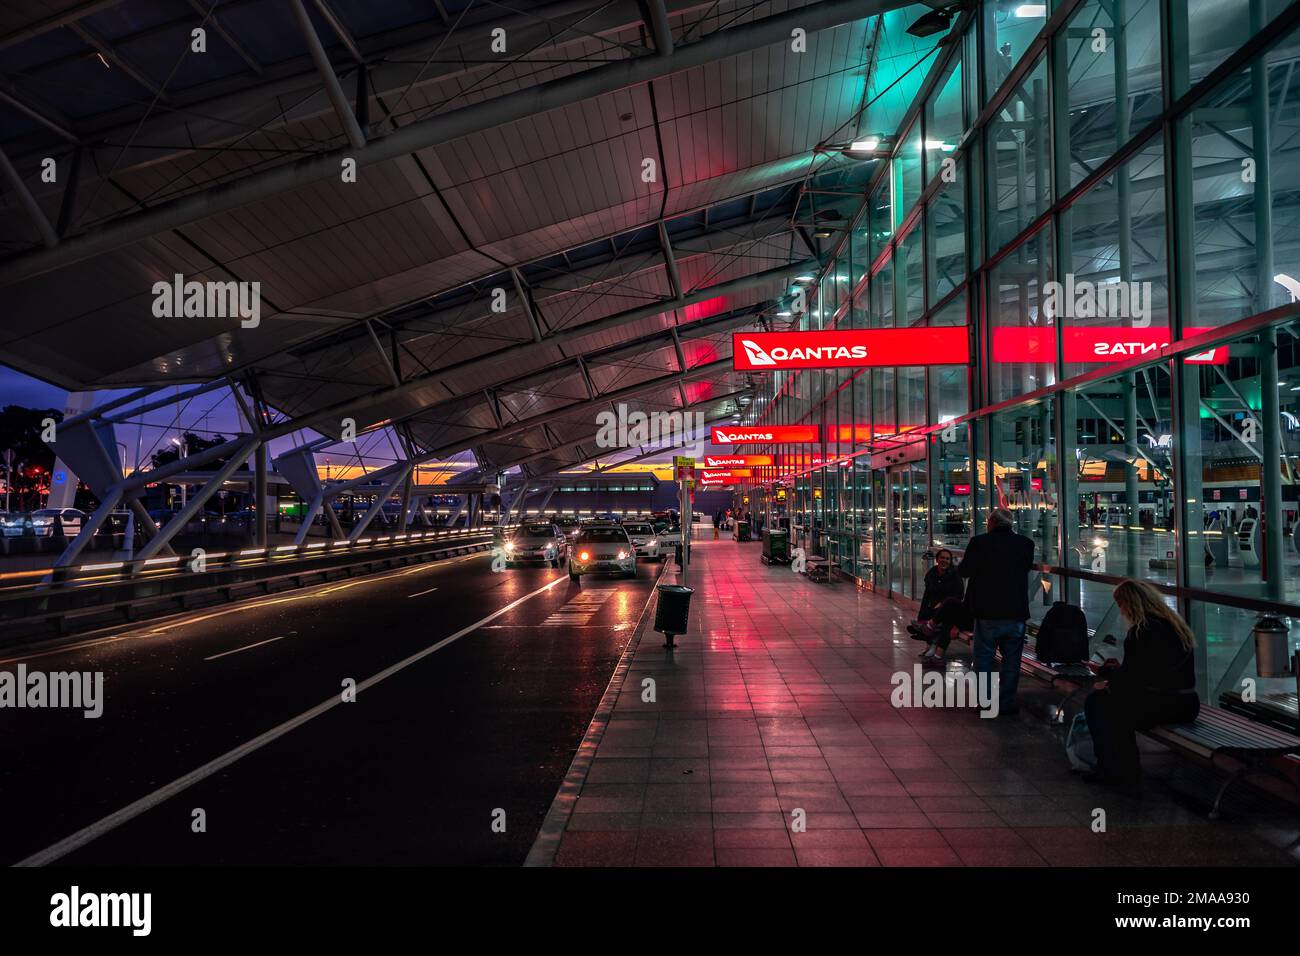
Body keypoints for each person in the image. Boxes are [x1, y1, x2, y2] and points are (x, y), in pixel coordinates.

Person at [1082, 579, 1198, 789]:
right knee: (1114, 707)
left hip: (1159, 704)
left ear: (1130, 604)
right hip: (1187, 704)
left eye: (1120, 605)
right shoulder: (1177, 628)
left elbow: (1132, 682)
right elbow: (1146, 673)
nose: (1121, 610)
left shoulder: (1140, 632)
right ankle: (1122, 770)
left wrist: (1105, 676)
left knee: (1099, 704)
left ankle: (1118, 771)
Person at [958, 508, 1034, 716]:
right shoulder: (1026, 544)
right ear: (1011, 524)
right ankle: (1006, 703)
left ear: (991, 522)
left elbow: (964, 571)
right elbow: (1025, 567)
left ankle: (985, 702)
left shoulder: (979, 543)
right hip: (1016, 611)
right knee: (1012, 660)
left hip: (987, 611)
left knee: (984, 658)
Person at [907, 550, 965, 661]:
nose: (945, 561)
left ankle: (932, 643)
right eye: (942, 558)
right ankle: (929, 642)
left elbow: (958, 596)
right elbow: (927, 595)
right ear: (937, 560)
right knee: (928, 613)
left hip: (950, 608)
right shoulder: (931, 574)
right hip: (934, 607)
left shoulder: (955, 574)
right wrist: (921, 615)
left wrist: (942, 603)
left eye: (948, 559)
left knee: (945, 617)